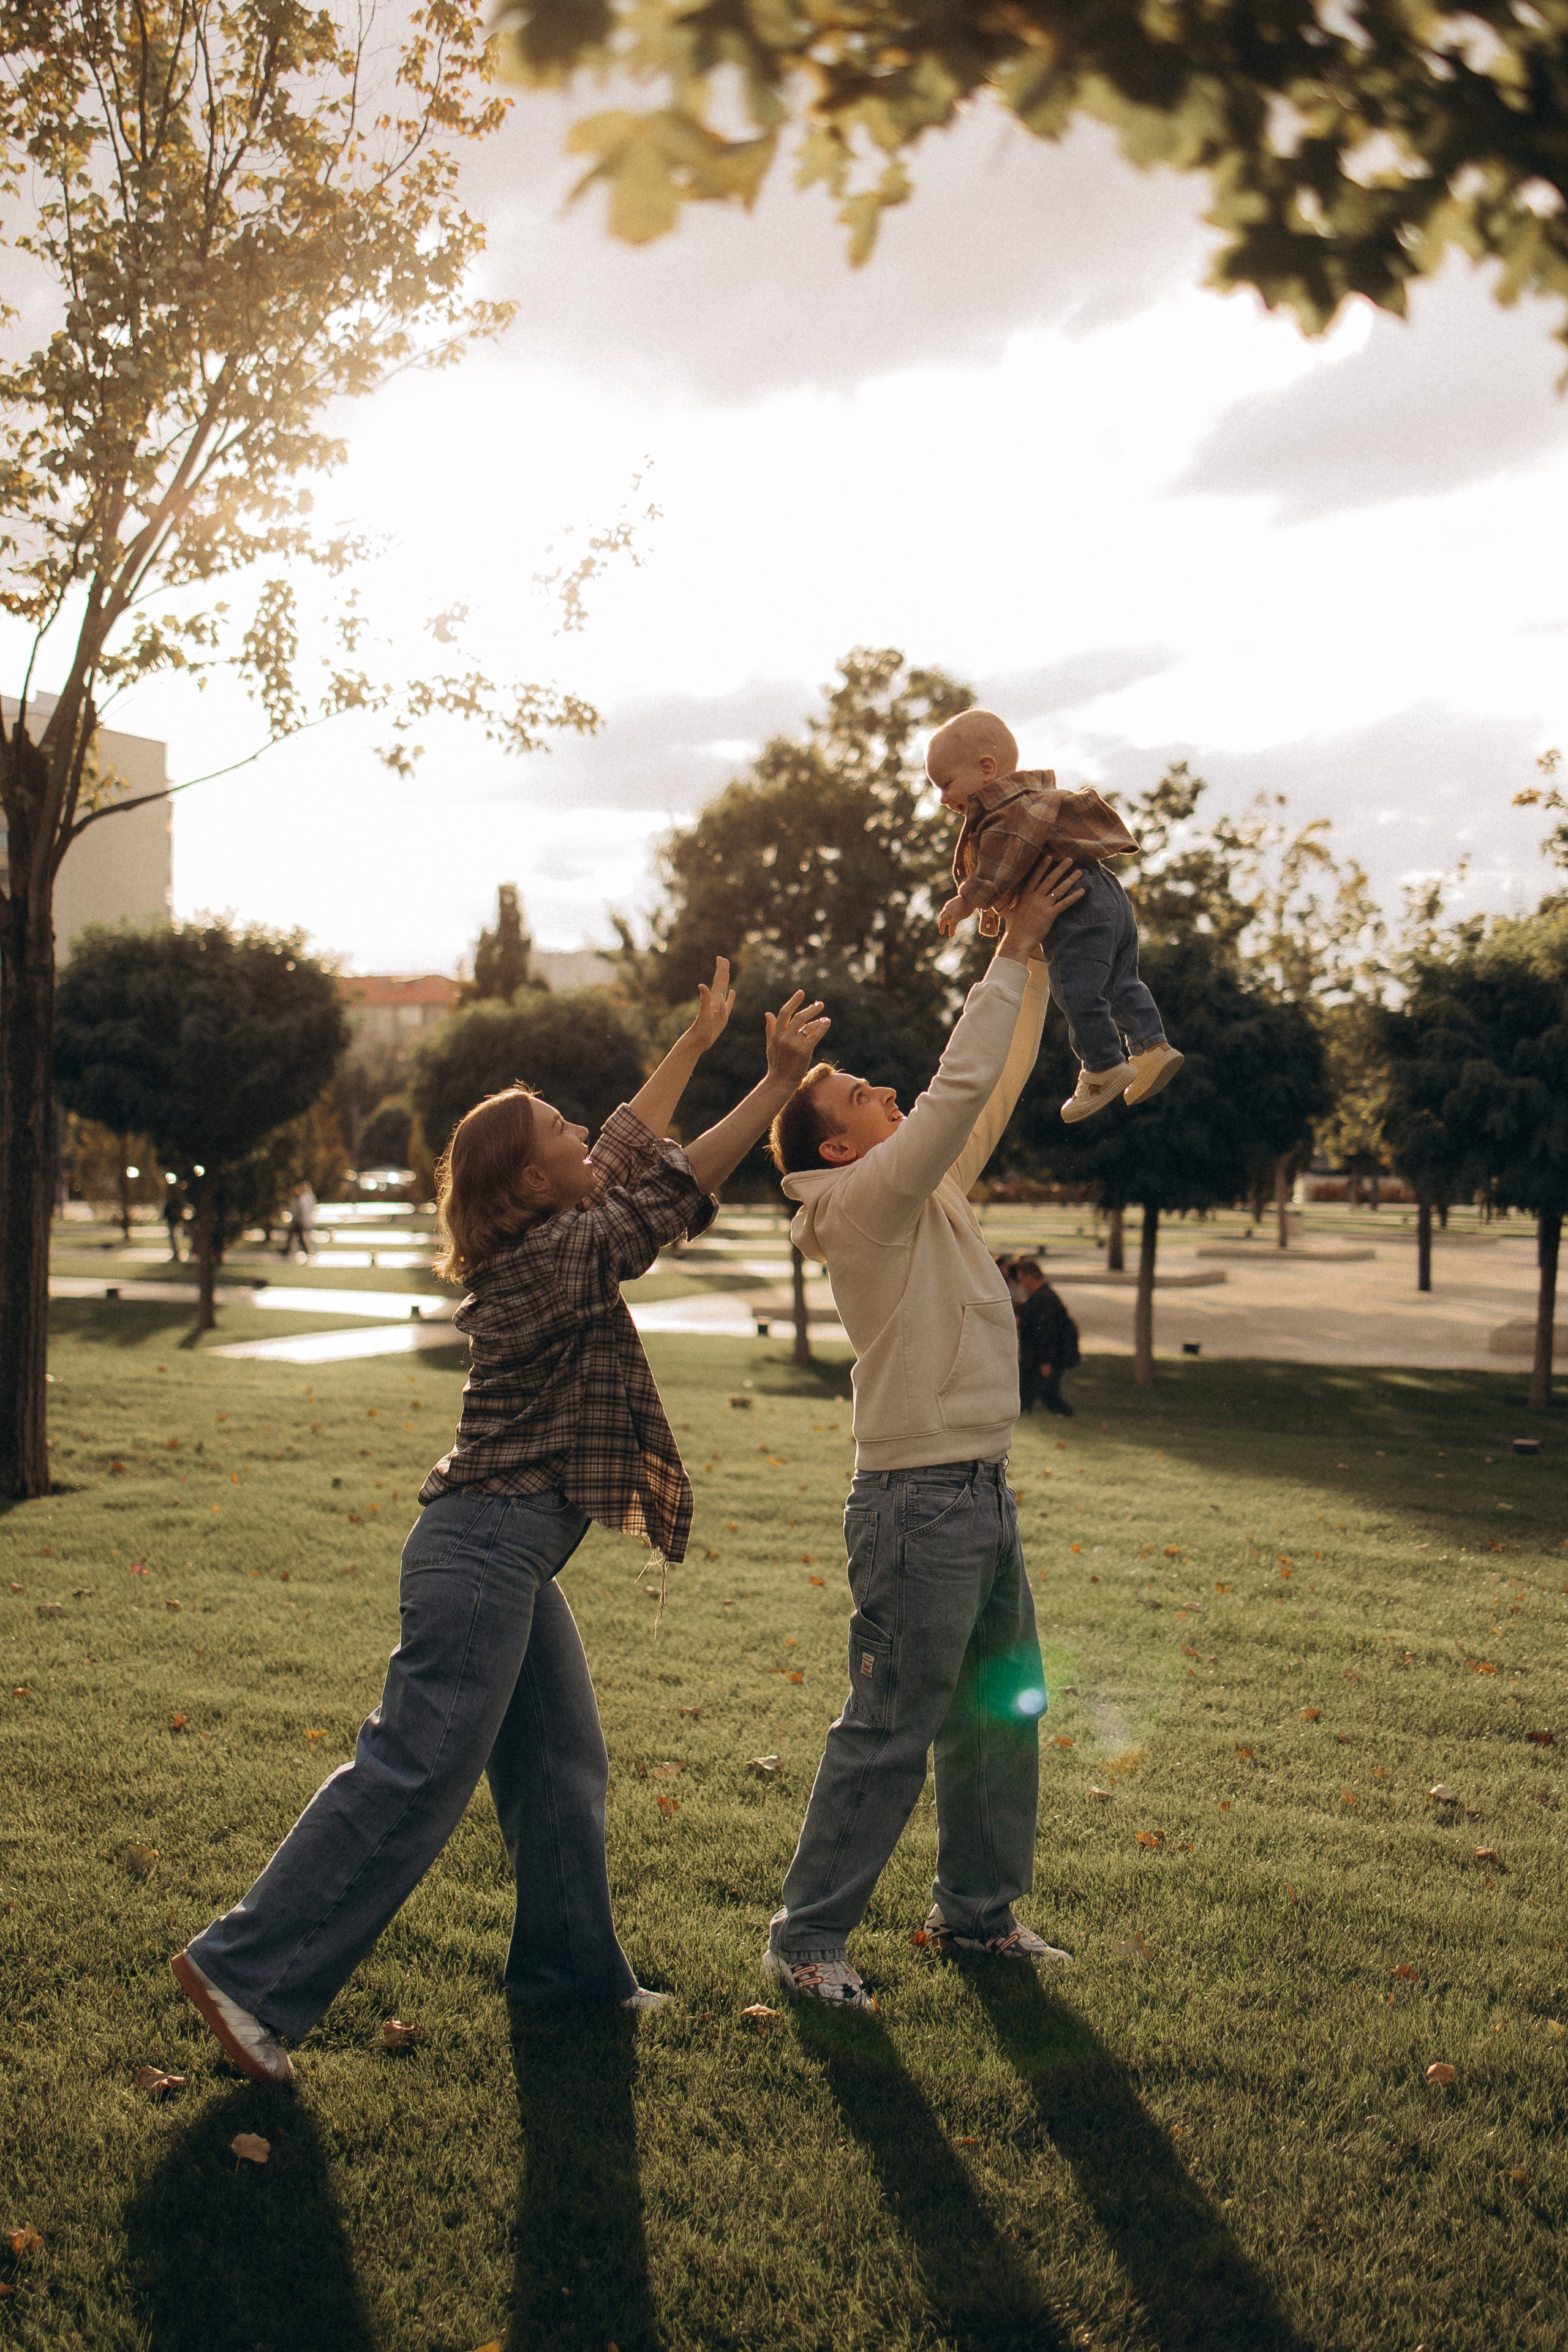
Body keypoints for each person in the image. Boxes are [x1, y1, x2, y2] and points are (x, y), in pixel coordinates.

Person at [170, 960, 831, 2085]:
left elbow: (628, 1147)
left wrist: (695, 1040)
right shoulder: (556, 1258)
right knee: (416, 1769)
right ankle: (247, 1972)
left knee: (560, 1763)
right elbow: (668, 1186)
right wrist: (771, 1088)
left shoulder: (550, 1225)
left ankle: (569, 1972)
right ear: (531, 1179)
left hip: (505, 1556)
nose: (587, 1136)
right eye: (562, 1132)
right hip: (483, 1551)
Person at [761, 862, 1084, 2010]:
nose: (885, 1088)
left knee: (1000, 1720)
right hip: (917, 1504)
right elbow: (955, 1091)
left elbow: (987, 1090)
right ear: (838, 1150)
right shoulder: (862, 1205)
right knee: (892, 1726)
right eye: (859, 1092)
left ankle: (976, 1917)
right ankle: (807, 1940)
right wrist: (1008, 951)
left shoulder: (917, 1187)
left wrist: (1029, 960)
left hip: (978, 1489)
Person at [927, 707, 1183, 1125]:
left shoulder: (1003, 812)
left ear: (986, 769)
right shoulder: (1035, 799)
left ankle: (1102, 1066)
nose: (942, 798)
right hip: (1108, 894)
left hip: (1074, 906)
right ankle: (1152, 1048)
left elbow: (999, 868)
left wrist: (965, 901)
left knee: (1076, 990)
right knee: (1120, 981)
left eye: (946, 783)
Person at [1012, 1257, 1080, 1418]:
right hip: (1034, 1357)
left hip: (1042, 1358)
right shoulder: (1039, 1297)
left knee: (1046, 1393)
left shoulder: (1046, 1300)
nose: (1022, 1285)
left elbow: (1049, 1334)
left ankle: (1067, 1414)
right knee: (1034, 1391)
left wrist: (1046, 1361)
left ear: (1031, 1277)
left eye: (1022, 1280)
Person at [281, 1180, 317, 1260]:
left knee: (298, 1235)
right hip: (302, 1221)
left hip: (301, 1221)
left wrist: (299, 1221)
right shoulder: (303, 1198)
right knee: (298, 1236)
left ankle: (304, 1251)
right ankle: (304, 1251)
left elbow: (302, 1212)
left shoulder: (303, 1199)